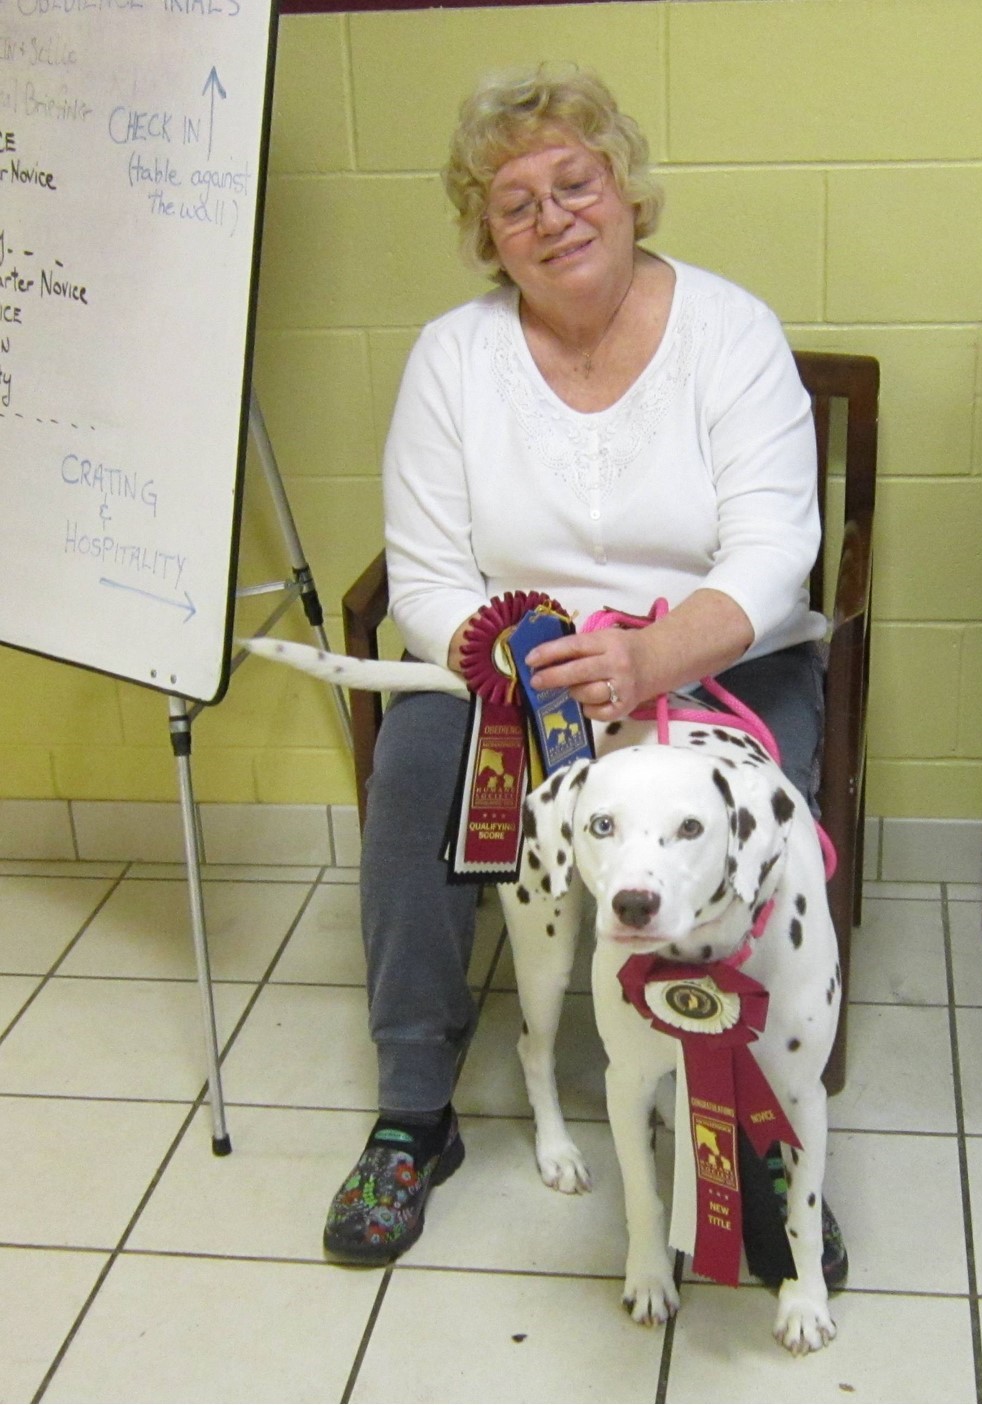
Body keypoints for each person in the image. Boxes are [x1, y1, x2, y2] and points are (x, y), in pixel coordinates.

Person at [323, 63, 845, 1288]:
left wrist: (655, 656)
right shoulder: (450, 360)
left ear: (627, 192)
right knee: (413, 774)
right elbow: (425, 570)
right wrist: (524, 671)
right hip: (522, 678)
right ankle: (414, 1111)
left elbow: (778, 544)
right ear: (486, 236)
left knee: (767, 801)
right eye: (516, 202)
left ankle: (766, 1138)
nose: (553, 215)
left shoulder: (733, 329)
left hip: (717, 662)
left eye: (576, 181)